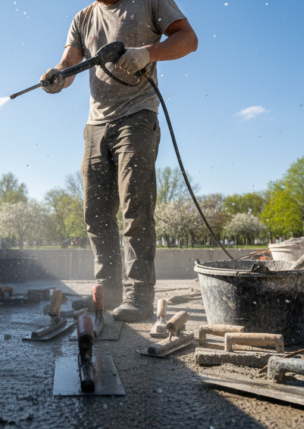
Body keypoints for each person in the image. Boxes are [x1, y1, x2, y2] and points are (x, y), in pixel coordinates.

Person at [44, 0, 198, 322]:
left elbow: (188, 39)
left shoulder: (149, 2)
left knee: (136, 206)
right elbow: (69, 62)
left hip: (137, 115)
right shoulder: (83, 17)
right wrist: (58, 75)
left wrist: (147, 52)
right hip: (96, 124)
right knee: (96, 212)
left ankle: (139, 295)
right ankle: (107, 291)